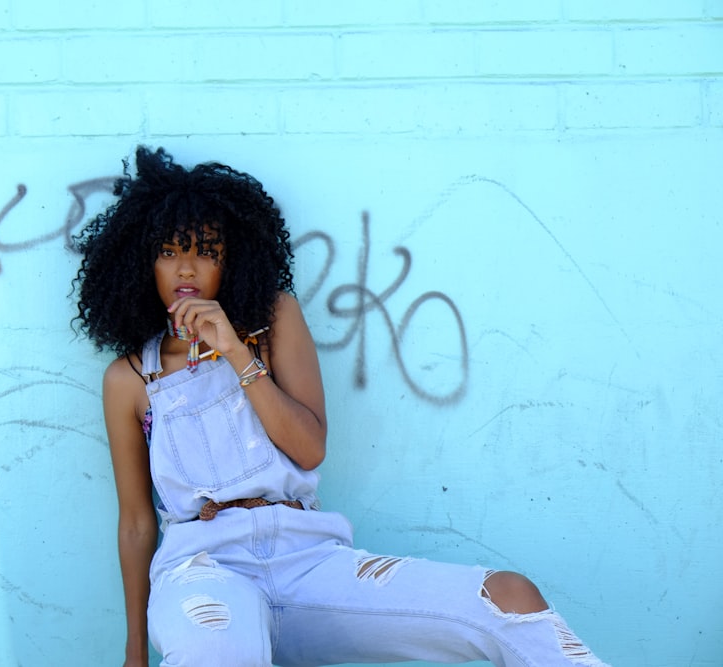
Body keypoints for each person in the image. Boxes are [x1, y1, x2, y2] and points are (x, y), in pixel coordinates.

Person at [73, 146, 609, 667]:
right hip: (204, 570)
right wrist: (134, 653)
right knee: (220, 645)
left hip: (309, 562)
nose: (186, 268)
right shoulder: (130, 378)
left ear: (230, 263)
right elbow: (138, 524)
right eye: (169, 251)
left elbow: (308, 448)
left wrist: (235, 351)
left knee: (507, 600)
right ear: (143, 262)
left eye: (206, 250)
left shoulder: (272, 322)